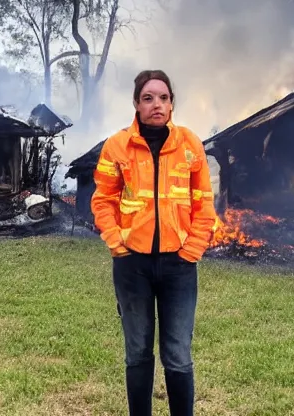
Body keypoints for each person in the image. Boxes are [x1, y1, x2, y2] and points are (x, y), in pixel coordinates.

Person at [91, 70, 218, 416]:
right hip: (133, 266)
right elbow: (102, 200)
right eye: (148, 98)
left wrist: (192, 249)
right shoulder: (116, 146)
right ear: (136, 104)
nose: (156, 104)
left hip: (179, 266)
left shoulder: (190, 144)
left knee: (178, 355)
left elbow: (204, 202)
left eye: (163, 97)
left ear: (172, 103)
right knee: (137, 353)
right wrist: (117, 243)